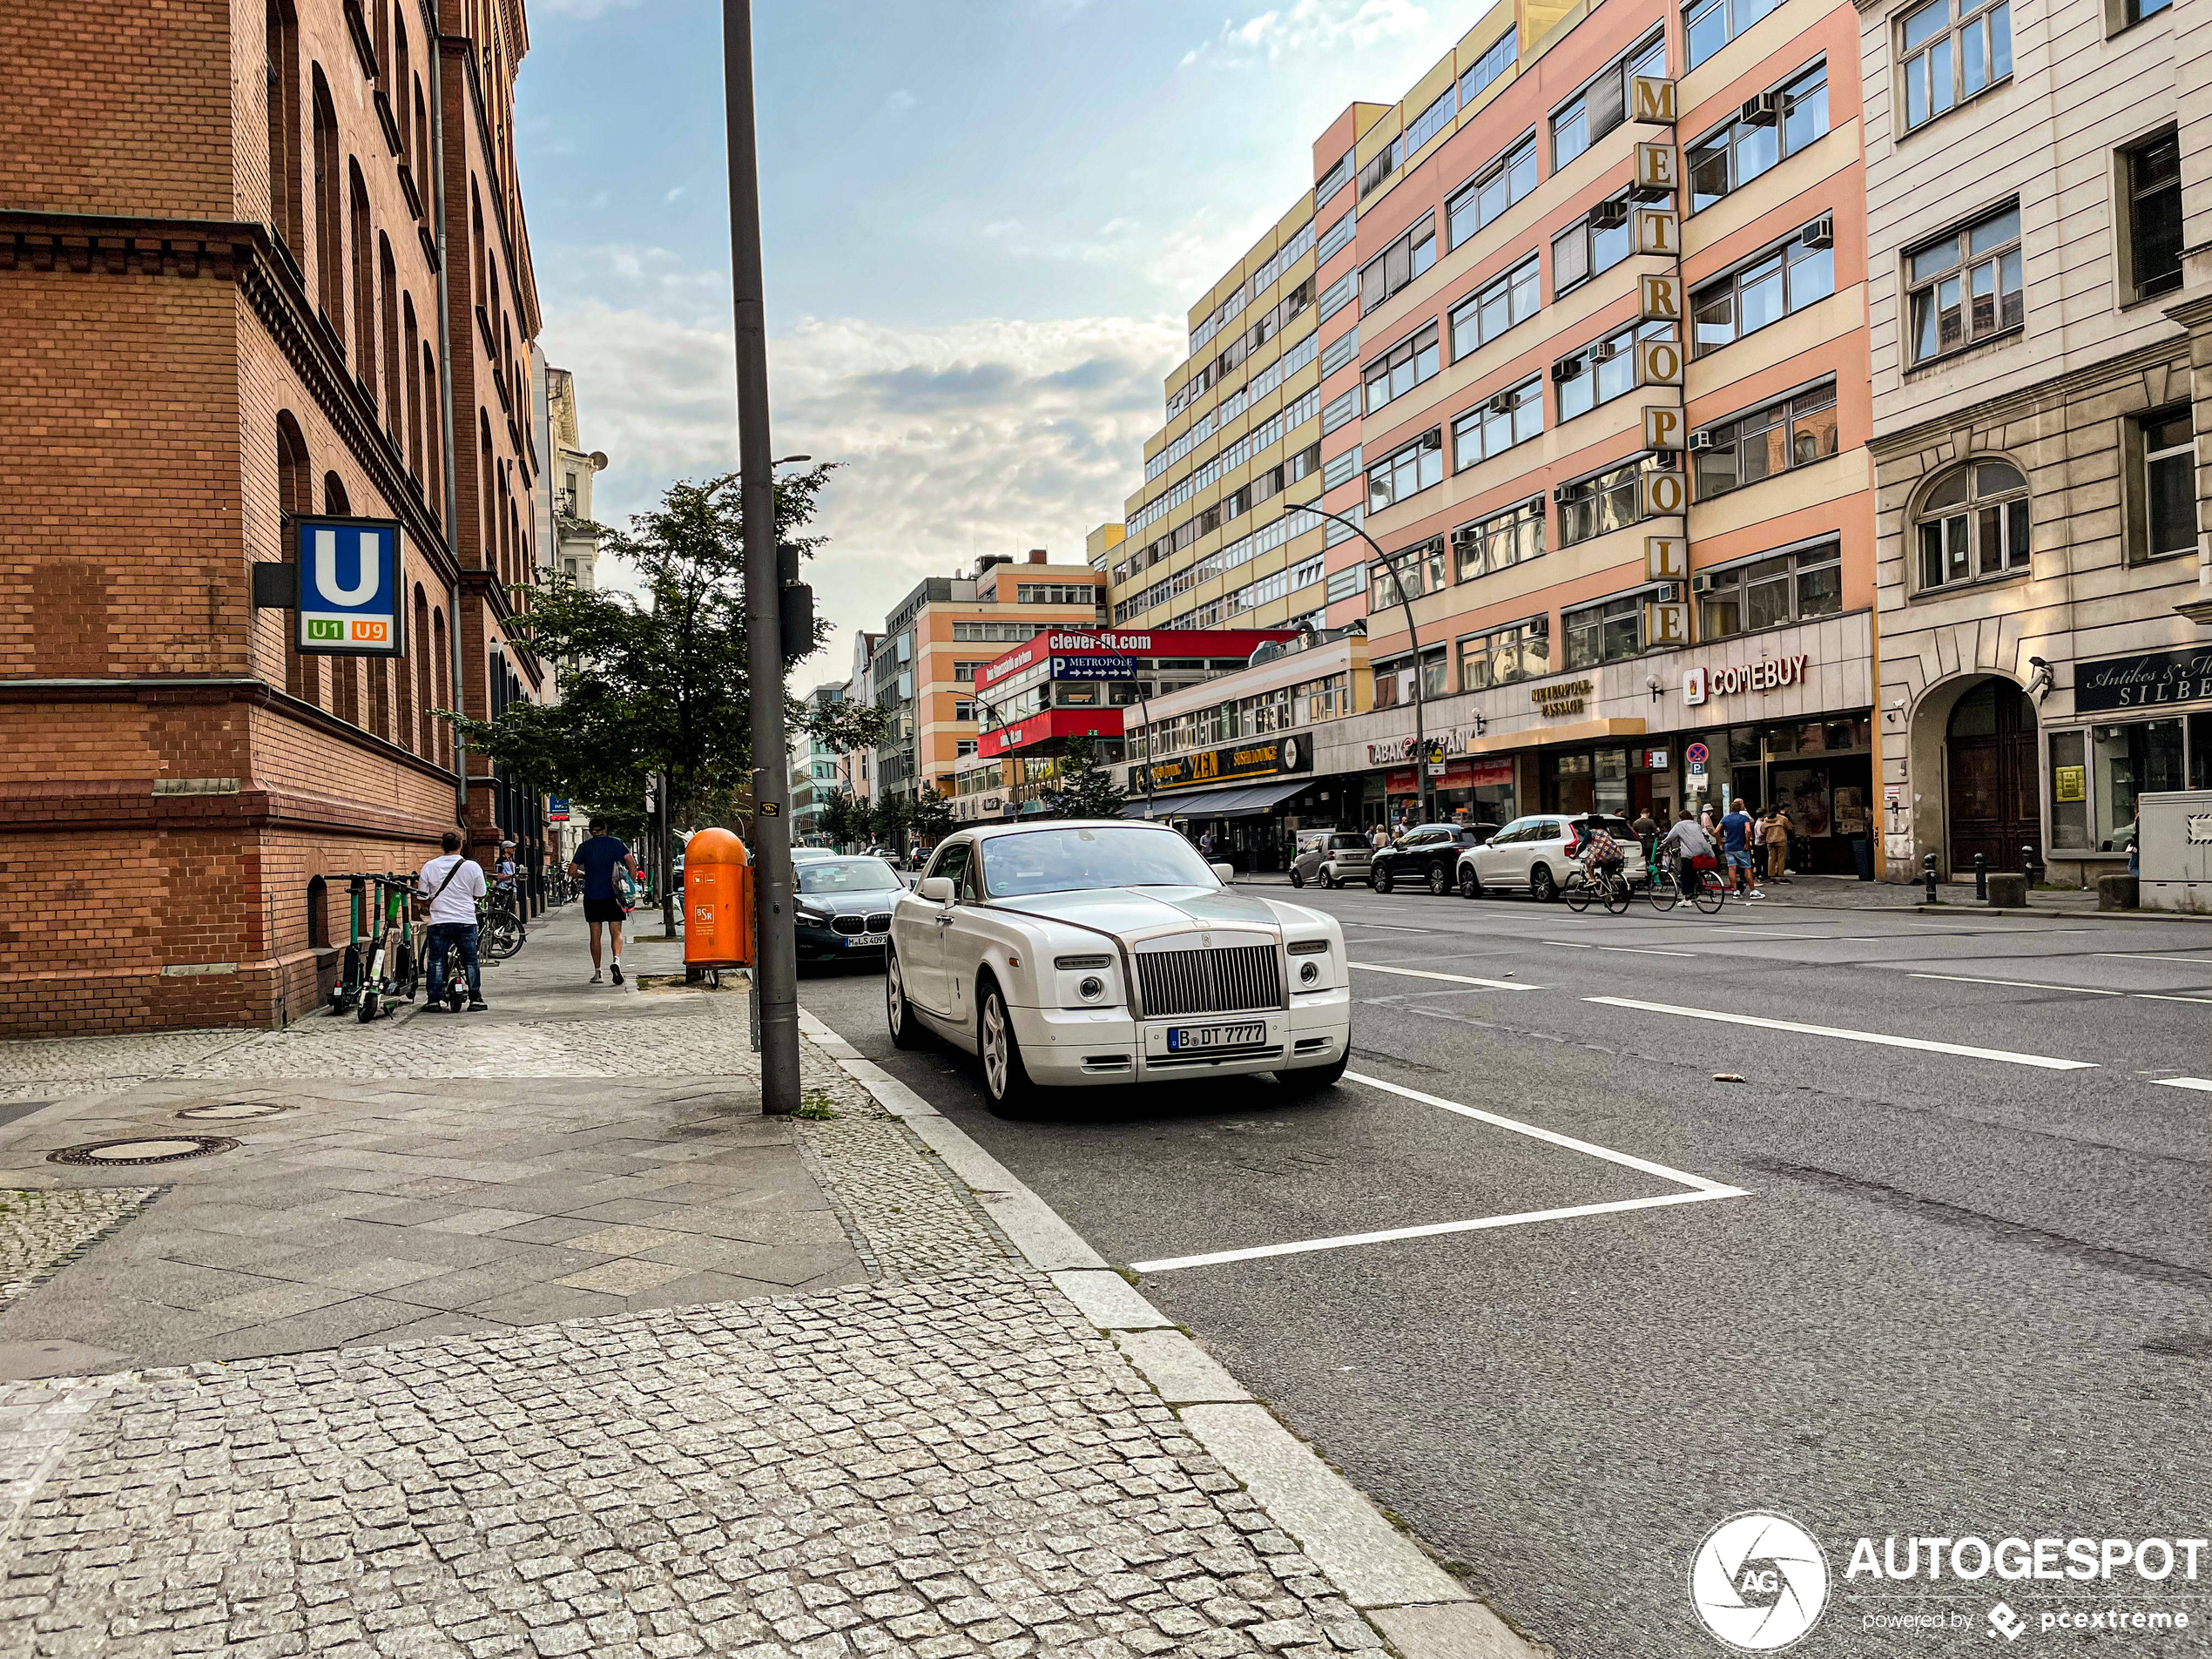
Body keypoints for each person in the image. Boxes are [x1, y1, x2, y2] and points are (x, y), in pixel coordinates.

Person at [418, 830, 489, 1011]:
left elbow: (422, 895)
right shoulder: (472, 867)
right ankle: (476, 999)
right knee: (471, 961)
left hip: (439, 921)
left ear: (442, 845)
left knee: (435, 961)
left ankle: (433, 1000)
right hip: (465, 920)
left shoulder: (429, 866)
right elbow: (480, 893)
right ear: (461, 844)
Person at [571, 820, 641, 985]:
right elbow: (632, 865)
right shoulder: (617, 843)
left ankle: (598, 973)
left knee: (595, 935)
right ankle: (616, 961)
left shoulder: (584, 847)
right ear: (605, 829)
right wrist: (629, 884)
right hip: (614, 895)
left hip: (592, 895)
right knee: (616, 932)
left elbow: (572, 871)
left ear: (591, 831)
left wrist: (585, 875)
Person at [1662, 808, 1716, 900]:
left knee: (1684, 874)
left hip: (1689, 854)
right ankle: (1698, 889)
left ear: (1681, 818)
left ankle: (1688, 897)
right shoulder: (1696, 825)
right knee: (1693, 872)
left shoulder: (1679, 825)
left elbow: (1669, 838)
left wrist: (1661, 846)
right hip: (1702, 851)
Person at [1718, 798, 1761, 898]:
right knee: (1747, 868)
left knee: (1732, 868)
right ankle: (1753, 890)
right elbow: (1748, 830)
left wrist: (1720, 843)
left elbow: (1716, 831)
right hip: (1740, 846)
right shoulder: (1743, 818)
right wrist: (1747, 842)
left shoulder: (1725, 818)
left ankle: (1735, 891)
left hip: (1729, 847)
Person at [1579, 818, 1625, 895]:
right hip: (1613, 855)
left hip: (1602, 855)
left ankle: (1592, 879)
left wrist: (1575, 854)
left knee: (1589, 860)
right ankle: (1607, 894)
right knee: (1607, 874)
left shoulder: (1591, 832)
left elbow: (1583, 845)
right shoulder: (1606, 831)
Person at [1763, 807, 1789, 884]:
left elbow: (1763, 830)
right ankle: (1781, 876)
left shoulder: (1766, 820)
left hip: (1770, 841)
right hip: (1781, 840)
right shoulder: (1782, 819)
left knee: (1771, 858)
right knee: (1781, 858)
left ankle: (1771, 876)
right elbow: (1789, 827)